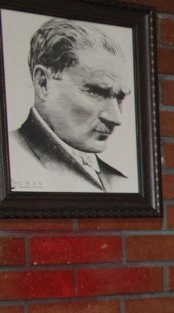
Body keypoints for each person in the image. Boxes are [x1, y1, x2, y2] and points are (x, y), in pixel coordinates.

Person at [7, 18, 132, 193]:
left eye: (119, 97)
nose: (116, 118)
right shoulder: (12, 159)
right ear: (43, 83)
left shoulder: (119, 181)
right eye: (95, 92)